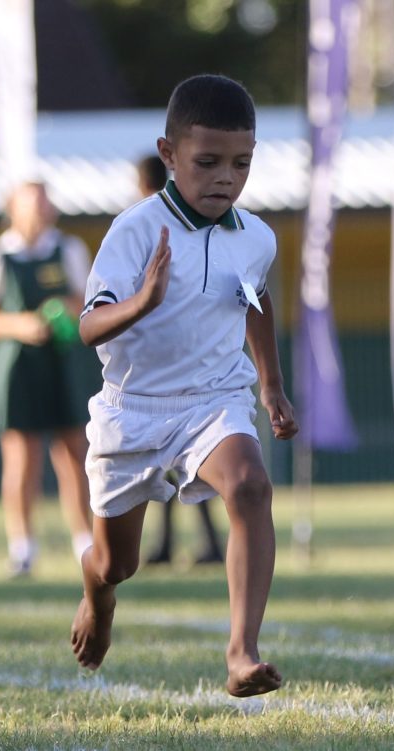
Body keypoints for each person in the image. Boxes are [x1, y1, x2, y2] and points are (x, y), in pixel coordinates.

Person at [70, 74, 297, 698]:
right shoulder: (136, 231)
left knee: (251, 486)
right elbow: (90, 326)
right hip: (133, 411)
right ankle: (98, 597)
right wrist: (141, 301)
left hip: (213, 401)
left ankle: (241, 654)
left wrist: (271, 386)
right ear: (169, 154)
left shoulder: (256, 236)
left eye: (241, 163)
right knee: (117, 561)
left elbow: (254, 298)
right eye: (208, 162)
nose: (226, 177)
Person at [0, 181, 95, 577]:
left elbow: (88, 300)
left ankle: (84, 544)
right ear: (13, 209)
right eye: (33, 203)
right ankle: (22, 546)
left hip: (63, 362)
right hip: (17, 366)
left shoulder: (70, 249)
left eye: (45, 202)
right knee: (21, 460)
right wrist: (23, 324)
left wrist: (63, 310)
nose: (42, 209)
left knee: (75, 455)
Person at [135, 154, 225, 568]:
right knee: (183, 465)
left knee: (177, 464)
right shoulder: (192, 225)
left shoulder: (148, 228)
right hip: (198, 359)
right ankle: (191, 544)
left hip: (167, 367)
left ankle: (179, 545)